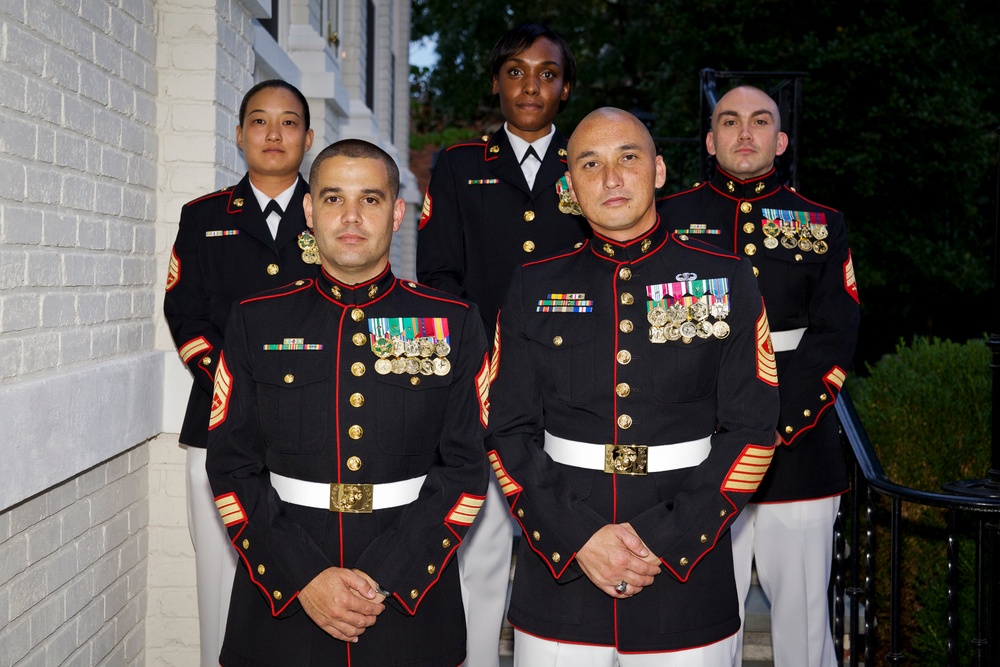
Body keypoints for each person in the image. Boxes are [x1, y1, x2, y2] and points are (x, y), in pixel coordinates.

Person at [485, 107, 781, 666]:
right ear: (570, 187)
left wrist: (663, 537)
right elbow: (507, 428)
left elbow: (752, 429)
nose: (612, 177)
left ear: (660, 170)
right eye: (590, 164)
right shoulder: (532, 286)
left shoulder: (728, 280)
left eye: (628, 157)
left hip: (686, 572)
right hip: (563, 574)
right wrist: (579, 537)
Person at [205, 139, 491, 666]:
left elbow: (466, 470)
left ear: (398, 212)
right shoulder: (257, 320)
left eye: (372, 199)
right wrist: (305, 579)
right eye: (334, 198)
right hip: (284, 597)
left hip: (409, 599)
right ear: (309, 211)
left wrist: (383, 578)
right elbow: (231, 467)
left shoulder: (453, 322)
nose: (352, 216)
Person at [657, 85, 860, 666]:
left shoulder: (820, 222)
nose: (744, 132)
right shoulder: (669, 218)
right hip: (695, 447)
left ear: (781, 139)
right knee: (701, 624)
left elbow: (835, 333)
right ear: (710, 139)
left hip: (795, 452)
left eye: (760, 120)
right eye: (730, 121)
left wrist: (773, 424)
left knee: (801, 622)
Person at [416, 23, 589, 665]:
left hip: (574, 386)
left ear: (565, 87)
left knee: (565, 532)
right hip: (483, 386)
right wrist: (474, 362)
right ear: (496, 82)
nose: (530, 85)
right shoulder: (461, 166)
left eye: (547, 73)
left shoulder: (589, 163)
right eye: (516, 71)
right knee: (483, 543)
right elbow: (439, 276)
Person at [163, 79, 318, 666]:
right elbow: (186, 314)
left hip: (314, 431)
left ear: (307, 136)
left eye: (287, 122)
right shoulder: (203, 218)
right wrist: (240, 388)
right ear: (239, 134)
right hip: (220, 425)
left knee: (309, 577)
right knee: (222, 576)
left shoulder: (331, 209)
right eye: (259, 121)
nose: (273, 134)